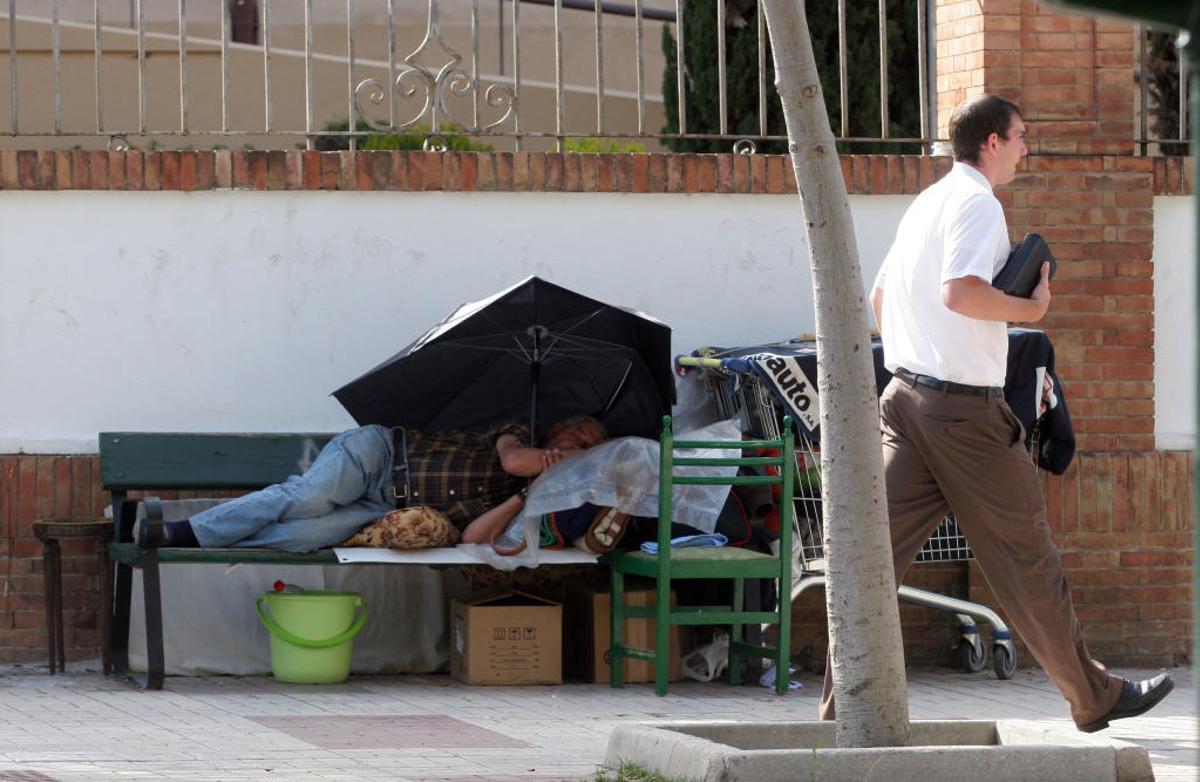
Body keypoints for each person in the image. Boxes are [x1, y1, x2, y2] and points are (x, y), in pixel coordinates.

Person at [821, 94, 1173, 733]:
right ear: (990, 142)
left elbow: (879, 297)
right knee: (1027, 558)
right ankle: (1093, 699)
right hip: (962, 414)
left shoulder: (927, 201)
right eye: (1019, 136)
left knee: (871, 561)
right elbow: (960, 293)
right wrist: (1032, 311)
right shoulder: (979, 203)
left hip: (901, 401)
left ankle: (841, 714)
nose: (1026, 147)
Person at [134, 416, 607, 553]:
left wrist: (523, 497)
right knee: (308, 499)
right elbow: (512, 458)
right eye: (577, 434)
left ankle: (177, 535)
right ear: (555, 431)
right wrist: (547, 463)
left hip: (380, 505)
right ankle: (180, 533)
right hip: (378, 456)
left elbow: (472, 537)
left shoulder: (534, 498)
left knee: (305, 536)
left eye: (590, 446)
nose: (580, 445)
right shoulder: (516, 429)